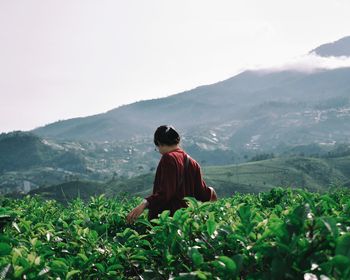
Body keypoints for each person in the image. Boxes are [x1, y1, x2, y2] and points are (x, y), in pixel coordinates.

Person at [126, 125, 217, 224]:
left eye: (157, 148)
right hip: (186, 221)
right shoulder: (193, 163)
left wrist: (144, 204)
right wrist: (211, 191)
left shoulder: (169, 158)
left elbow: (165, 193)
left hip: (170, 221)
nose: (159, 151)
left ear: (160, 143)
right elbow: (202, 194)